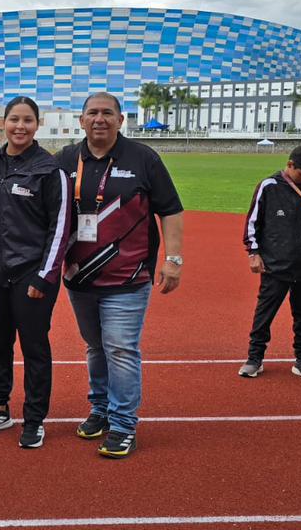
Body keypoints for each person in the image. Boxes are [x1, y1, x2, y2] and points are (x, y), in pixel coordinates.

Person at [57, 92, 184, 459]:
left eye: (107, 113)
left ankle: (124, 425)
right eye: (93, 113)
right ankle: (100, 409)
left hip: (128, 276)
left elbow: (170, 210)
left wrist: (173, 259)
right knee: (95, 346)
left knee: (120, 348)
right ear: (81, 120)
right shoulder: (65, 159)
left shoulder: (143, 158)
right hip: (79, 275)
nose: (100, 119)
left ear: (120, 119)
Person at [0, 96, 71, 449]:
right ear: (4, 122)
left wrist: (45, 275)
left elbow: (60, 227)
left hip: (31, 275)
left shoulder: (50, 169)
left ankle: (34, 418)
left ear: (37, 124)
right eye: (14, 119)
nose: (20, 126)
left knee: (34, 347)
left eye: (27, 120)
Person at [238, 142, 301, 382]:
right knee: (264, 314)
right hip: (275, 265)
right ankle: (254, 358)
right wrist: (253, 252)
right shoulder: (269, 186)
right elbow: (252, 222)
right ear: (290, 164)